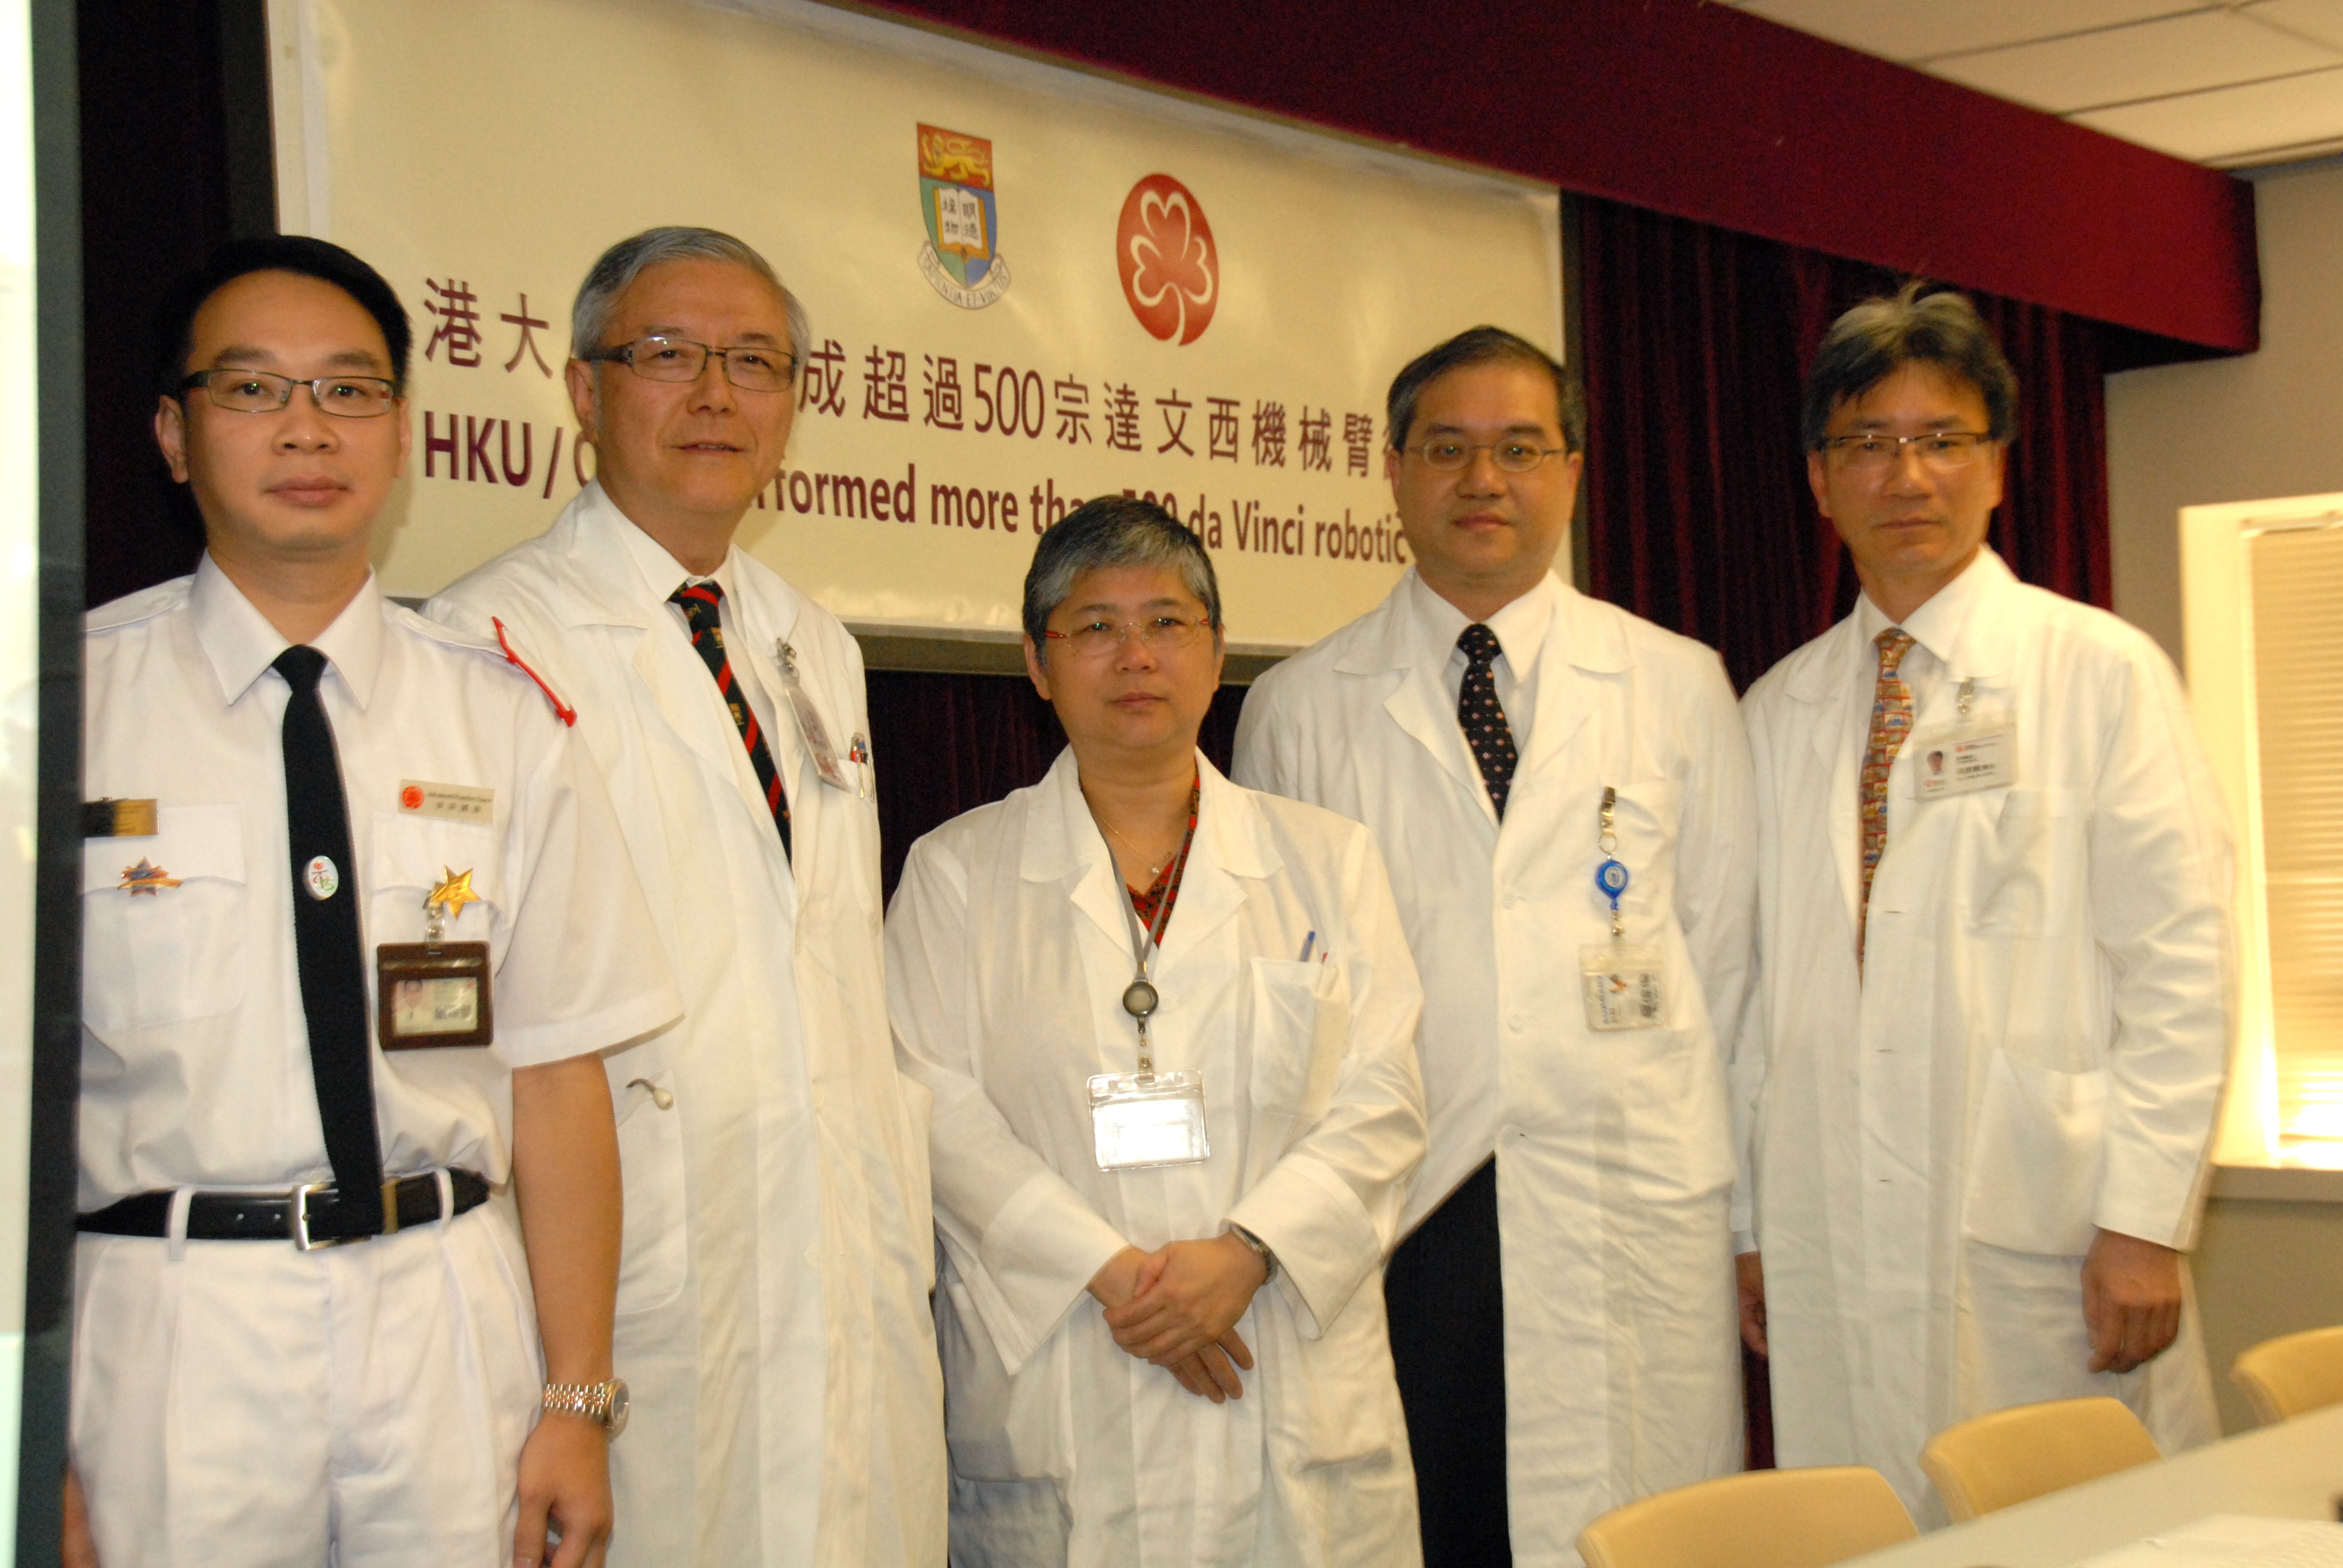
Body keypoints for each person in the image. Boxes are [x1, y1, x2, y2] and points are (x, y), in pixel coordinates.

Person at [70, 235, 678, 1568]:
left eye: (349, 390)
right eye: (253, 389)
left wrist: (579, 1399)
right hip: (170, 1330)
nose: (308, 428)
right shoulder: (63, 709)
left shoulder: (499, 713)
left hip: (444, 1314)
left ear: (402, 434)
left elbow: (557, 1078)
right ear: (173, 434)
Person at [427, 226, 945, 1567]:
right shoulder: (487, 643)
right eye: (668, 354)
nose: (717, 394)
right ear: (584, 389)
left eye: (755, 362)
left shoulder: (812, 642)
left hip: (837, 1247)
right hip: (642, 1267)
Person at [1234, 327, 1758, 1568]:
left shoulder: (1679, 684)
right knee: (1442, 1523)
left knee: (1644, 1532)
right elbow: (1283, 1010)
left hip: (1632, 1192)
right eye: (1448, 450)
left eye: (1520, 449)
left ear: (1571, 470)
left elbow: (1732, 972)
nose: (1484, 481)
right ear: (1393, 471)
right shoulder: (1300, 707)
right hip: (1415, 1209)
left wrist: (1753, 1225)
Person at [1738, 283, 2231, 1519]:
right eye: (1868, 442)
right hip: (1831, 1218)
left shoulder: (2098, 672)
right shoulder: (1776, 710)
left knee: (2072, 1525)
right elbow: (1749, 997)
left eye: (1942, 439)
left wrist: (2144, 1220)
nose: (1907, 475)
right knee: (1871, 1521)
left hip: (2046, 1225)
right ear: (1820, 480)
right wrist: (1750, 1221)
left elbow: (2183, 963)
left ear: (1998, 468)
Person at [886, 497, 1429, 1566]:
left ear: (1218, 653)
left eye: (1167, 623)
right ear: (1038, 665)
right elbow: (929, 1107)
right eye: (1095, 626)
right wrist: (1111, 1273)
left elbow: (1386, 1099)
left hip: (1279, 1357)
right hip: (1073, 1362)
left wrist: (1250, 1253)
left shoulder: (1329, 861)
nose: (1135, 655)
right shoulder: (956, 874)